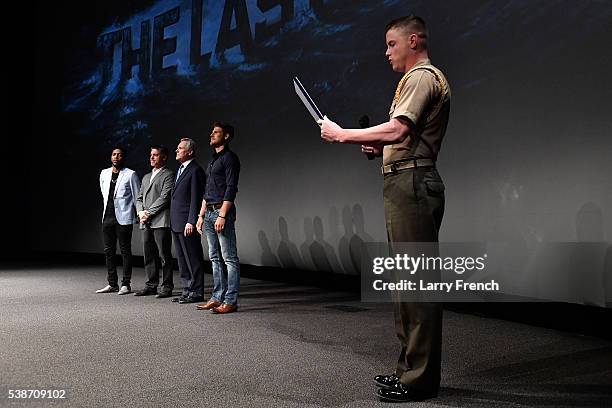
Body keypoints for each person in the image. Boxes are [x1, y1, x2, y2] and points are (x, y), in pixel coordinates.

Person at [319, 15, 450, 402]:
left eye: (391, 44)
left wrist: (343, 134)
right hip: (402, 180)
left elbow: (398, 129)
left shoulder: (423, 76)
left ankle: (419, 379)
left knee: (416, 286)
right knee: (404, 286)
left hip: (412, 183)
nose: (386, 52)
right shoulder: (413, 80)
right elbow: (400, 136)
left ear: (413, 40)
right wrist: (379, 148)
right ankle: (409, 370)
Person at [196, 122, 241, 314]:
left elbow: (231, 188)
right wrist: (201, 214)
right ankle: (217, 296)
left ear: (227, 136)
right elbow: (208, 190)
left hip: (221, 213)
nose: (212, 135)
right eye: (212, 131)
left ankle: (230, 300)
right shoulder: (213, 160)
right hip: (209, 212)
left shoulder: (230, 158)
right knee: (214, 257)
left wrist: (222, 215)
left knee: (229, 258)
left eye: (216, 132)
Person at [96, 146, 141, 295]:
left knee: (125, 251)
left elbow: (136, 198)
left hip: (124, 218)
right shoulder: (104, 173)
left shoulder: (131, 175)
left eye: (119, 155)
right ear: (111, 157)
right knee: (109, 251)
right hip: (107, 217)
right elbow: (105, 195)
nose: (116, 157)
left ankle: (126, 284)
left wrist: (140, 216)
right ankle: (112, 283)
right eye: (114, 154)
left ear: (123, 158)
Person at [134, 145, 175, 297]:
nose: (151, 157)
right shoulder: (145, 177)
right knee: (148, 254)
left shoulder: (169, 174)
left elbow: (164, 198)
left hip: (160, 220)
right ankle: (151, 284)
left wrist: (148, 213)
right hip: (146, 221)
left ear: (163, 157)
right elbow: (139, 198)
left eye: (155, 155)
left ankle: (166, 286)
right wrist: (140, 212)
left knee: (164, 255)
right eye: (151, 154)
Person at [170, 138, 206, 304]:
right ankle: (187, 290)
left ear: (190, 151)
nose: (176, 151)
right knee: (182, 260)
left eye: (180, 148)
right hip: (176, 222)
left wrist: (191, 220)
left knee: (193, 258)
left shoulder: (195, 170)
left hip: (187, 222)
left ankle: (196, 291)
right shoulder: (180, 169)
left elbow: (196, 198)